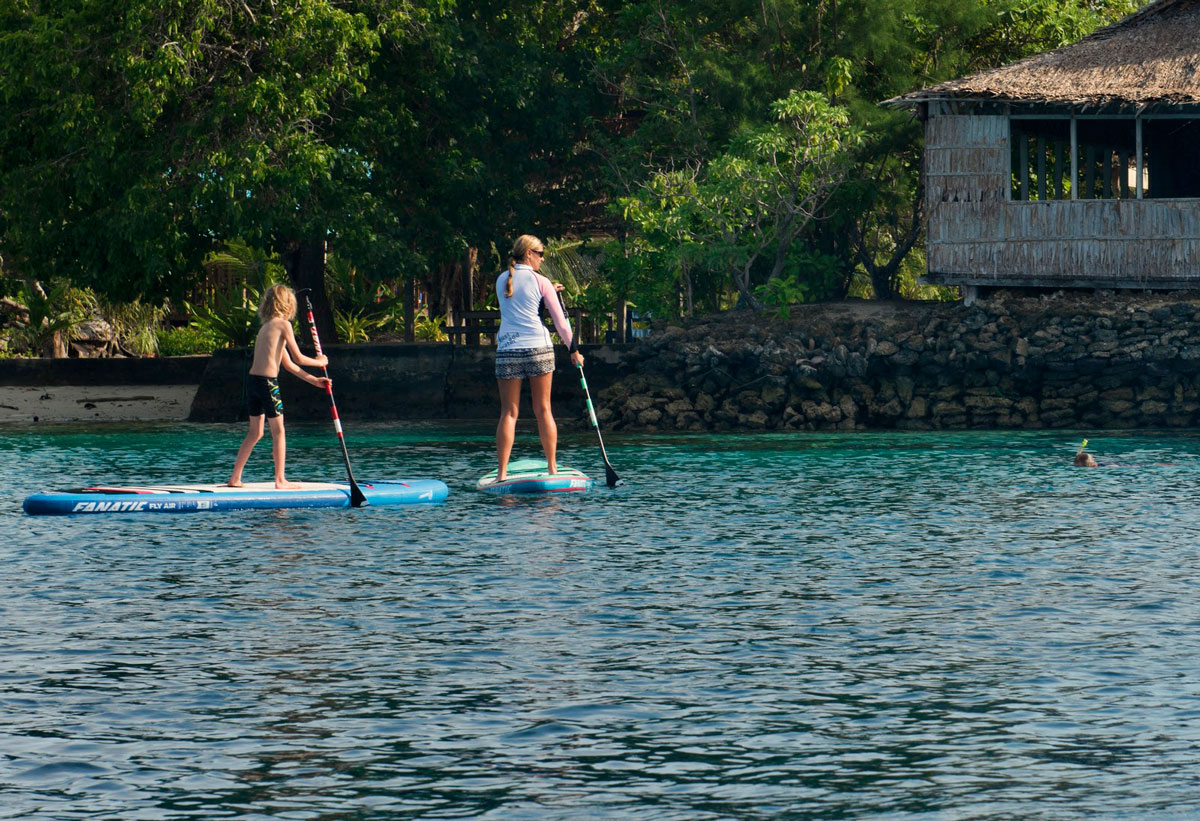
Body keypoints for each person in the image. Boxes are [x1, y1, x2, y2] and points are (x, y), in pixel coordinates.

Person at [493, 234, 584, 482]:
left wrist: (547, 292)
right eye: (540, 253)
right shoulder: (540, 281)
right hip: (538, 349)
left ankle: (502, 474)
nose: (543, 258)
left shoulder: (502, 279)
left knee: (508, 413)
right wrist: (573, 350)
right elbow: (561, 323)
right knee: (543, 409)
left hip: (508, 350)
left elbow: (520, 303)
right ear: (529, 254)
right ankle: (552, 468)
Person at [228, 284, 330, 489]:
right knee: (279, 431)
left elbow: (288, 365)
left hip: (253, 382)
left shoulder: (266, 328)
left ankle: (235, 478)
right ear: (288, 304)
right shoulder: (284, 325)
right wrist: (320, 361)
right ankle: (280, 480)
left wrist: (314, 380)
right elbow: (299, 358)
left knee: (255, 432)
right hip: (267, 384)